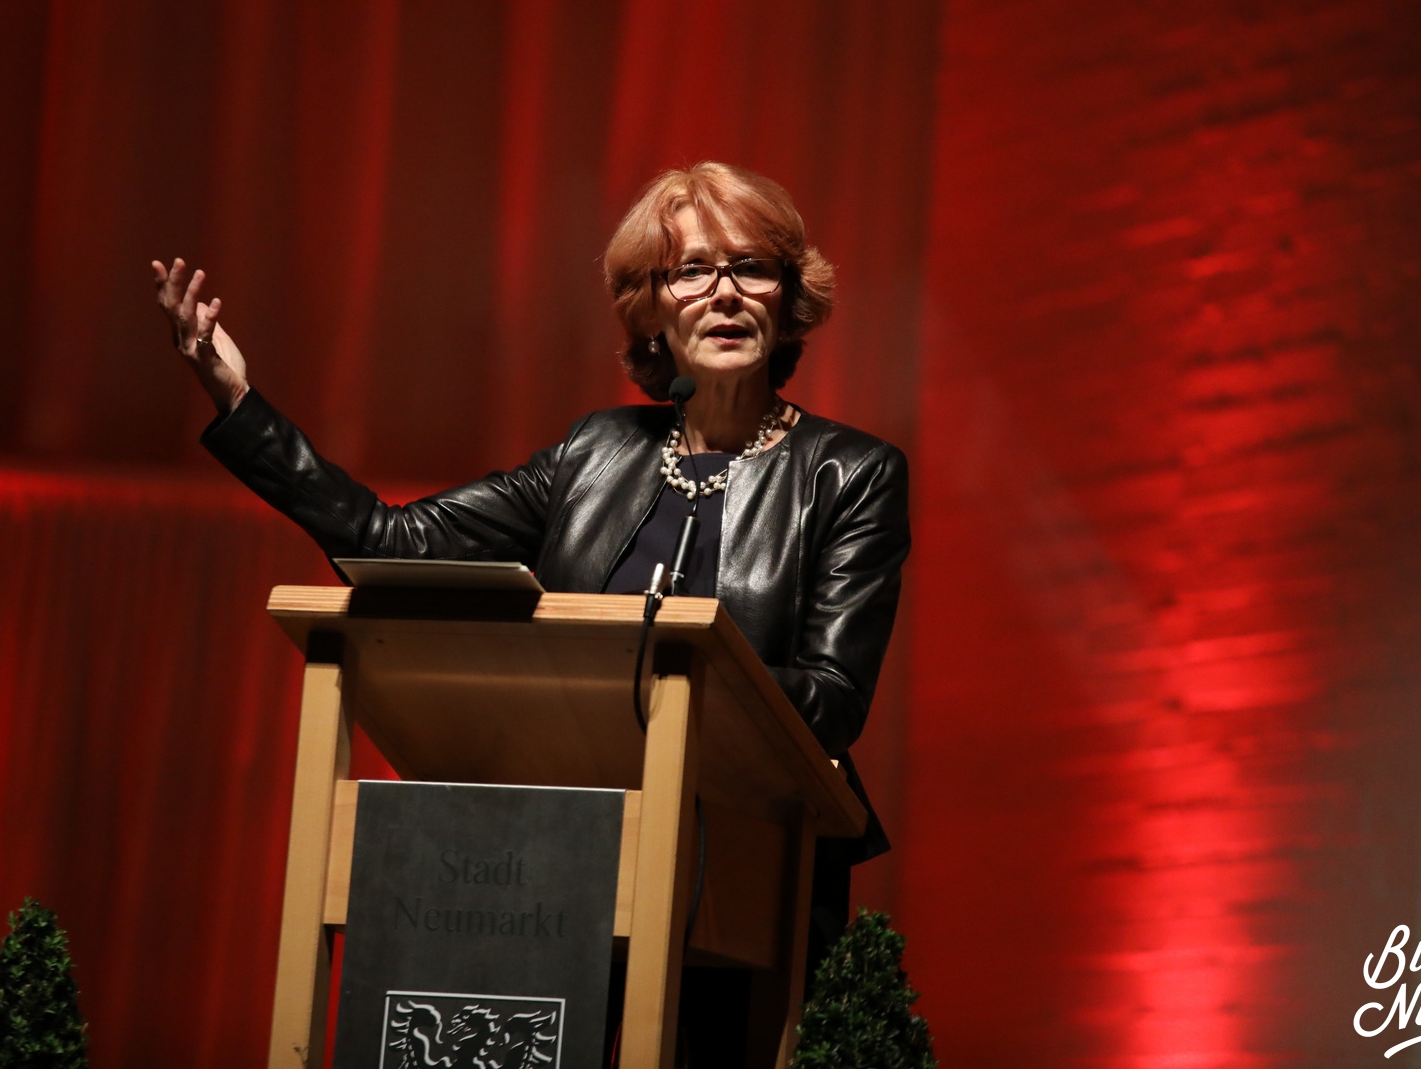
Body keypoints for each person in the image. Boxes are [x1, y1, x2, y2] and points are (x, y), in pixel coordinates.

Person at [153, 161, 909, 1066]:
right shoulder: (596, 452)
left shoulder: (849, 474)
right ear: (650, 311)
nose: (724, 293)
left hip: (748, 863)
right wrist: (240, 403)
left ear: (787, 299)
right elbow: (393, 541)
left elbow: (831, 699)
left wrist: (682, 671)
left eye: (751, 267)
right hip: (559, 856)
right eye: (691, 270)